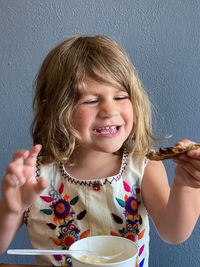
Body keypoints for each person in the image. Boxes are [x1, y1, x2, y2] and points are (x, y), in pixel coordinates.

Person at [0, 35, 200, 267]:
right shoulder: (35, 179)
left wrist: (187, 184)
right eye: (91, 100)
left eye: (120, 96)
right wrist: (11, 208)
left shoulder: (143, 167)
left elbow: (173, 233)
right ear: (53, 107)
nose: (109, 109)